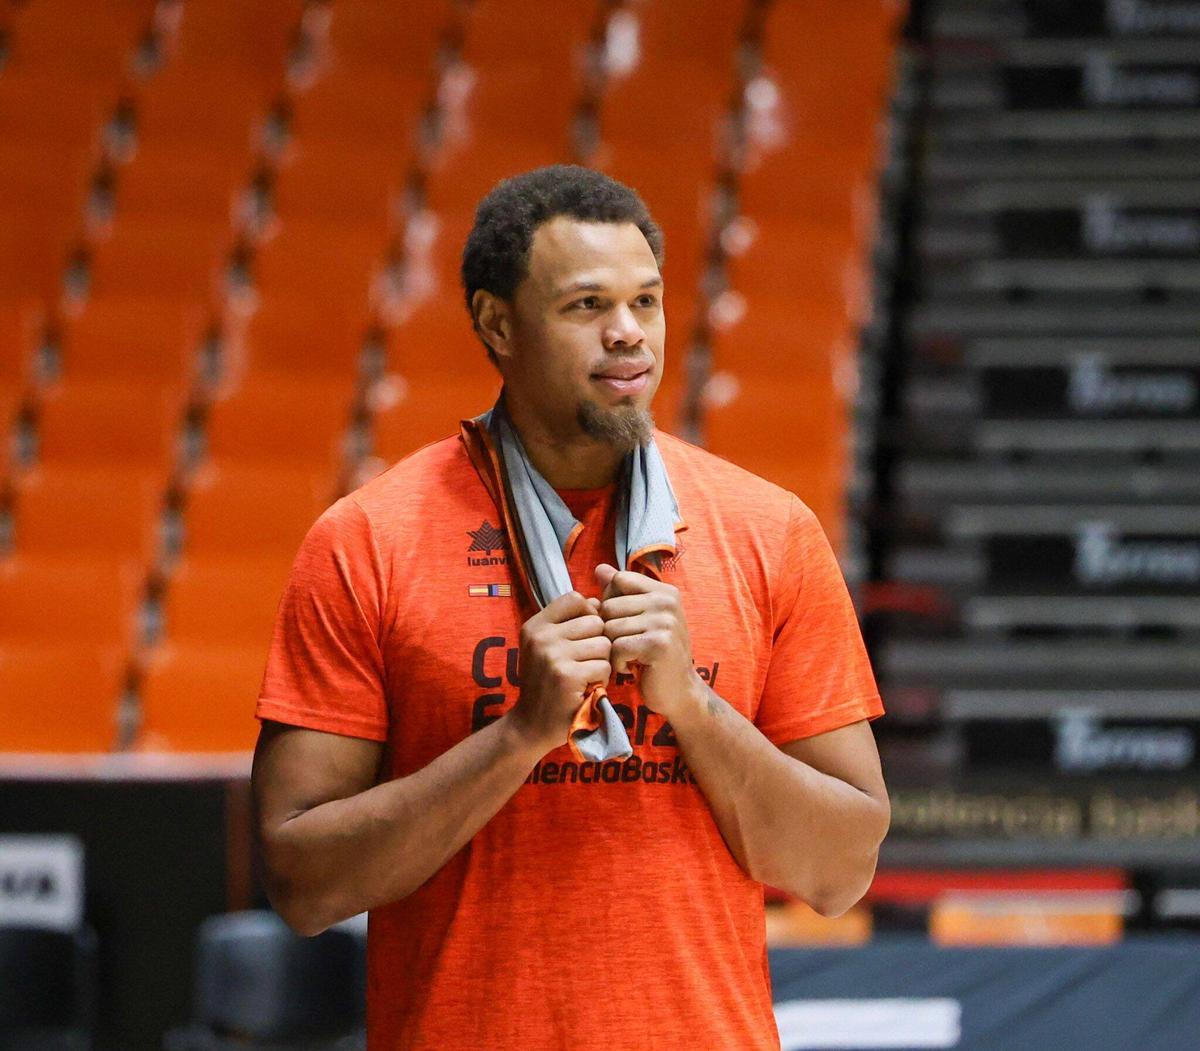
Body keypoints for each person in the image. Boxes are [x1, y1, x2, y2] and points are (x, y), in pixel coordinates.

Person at [251, 164, 889, 1050]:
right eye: (587, 306)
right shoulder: (366, 542)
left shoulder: (769, 532)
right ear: (496, 323)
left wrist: (695, 709)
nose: (629, 335)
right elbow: (303, 883)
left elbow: (841, 867)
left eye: (647, 302)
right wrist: (517, 736)